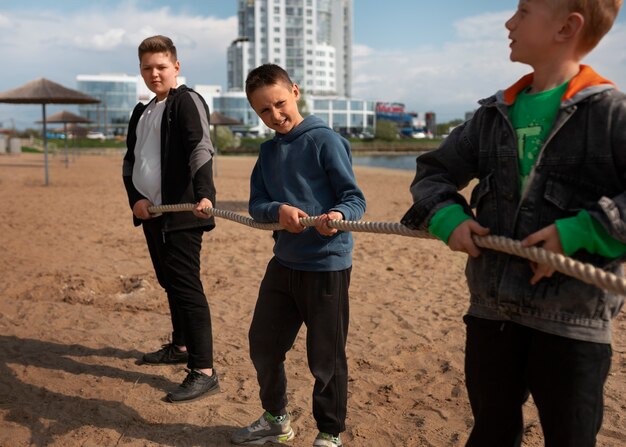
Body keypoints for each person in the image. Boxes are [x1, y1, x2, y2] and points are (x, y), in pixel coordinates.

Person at [402, 1, 626, 446]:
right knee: (490, 430)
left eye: (523, 11)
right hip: (492, 312)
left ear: (568, 26)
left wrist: (579, 231)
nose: (509, 22)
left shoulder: (610, 114)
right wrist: (448, 218)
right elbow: (433, 172)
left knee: (571, 436)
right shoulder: (491, 115)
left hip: (573, 321)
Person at [230, 64, 366, 447]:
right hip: (284, 263)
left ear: (295, 90)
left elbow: (354, 199)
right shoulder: (268, 152)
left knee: (325, 359)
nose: (275, 116)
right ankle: (276, 418)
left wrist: (338, 217)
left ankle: (329, 433)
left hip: (327, 266)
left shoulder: (326, 141)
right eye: (264, 112)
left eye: (279, 104)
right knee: (263, 345)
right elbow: (256, 204)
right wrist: (278, 211)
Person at [122, 35, 219, 403]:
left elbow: (200, 147)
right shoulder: (142, 111)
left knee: (186, 286)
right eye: (147, 68)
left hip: (183, 211)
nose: (154, 73)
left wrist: (205, 193)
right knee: (169, 281)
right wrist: (135, 199)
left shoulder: (186, 101)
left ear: (176, 67)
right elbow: (130, 163)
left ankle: (204, 370)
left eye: (161, 66)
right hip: (152, 213)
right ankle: (180, 347)